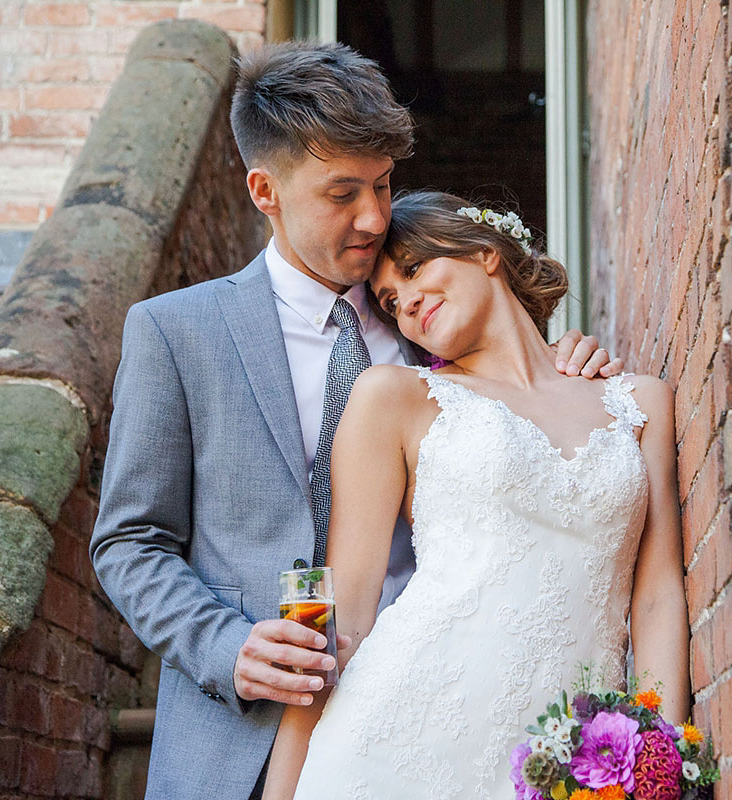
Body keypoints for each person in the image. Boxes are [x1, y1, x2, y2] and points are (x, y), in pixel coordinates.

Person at [89, 43, 618, 800]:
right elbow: (130, 542)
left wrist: (571, 367)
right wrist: (227, 646)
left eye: (383, 184)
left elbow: (524, 400)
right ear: (264, 190)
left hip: (432, 724)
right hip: (234, 745)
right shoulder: (175, 332)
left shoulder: (431, 321)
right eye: (342, 194)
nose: (375, 217)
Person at [260, 190, 691, 800]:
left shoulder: (639, 403)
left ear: (485, 252)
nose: (405, 302)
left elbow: (656, 598)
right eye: (389, 302)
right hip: (394, 745)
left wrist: (660, 759)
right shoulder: (392, 396)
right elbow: (341, 622)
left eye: (413, 270)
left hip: (565, 759)